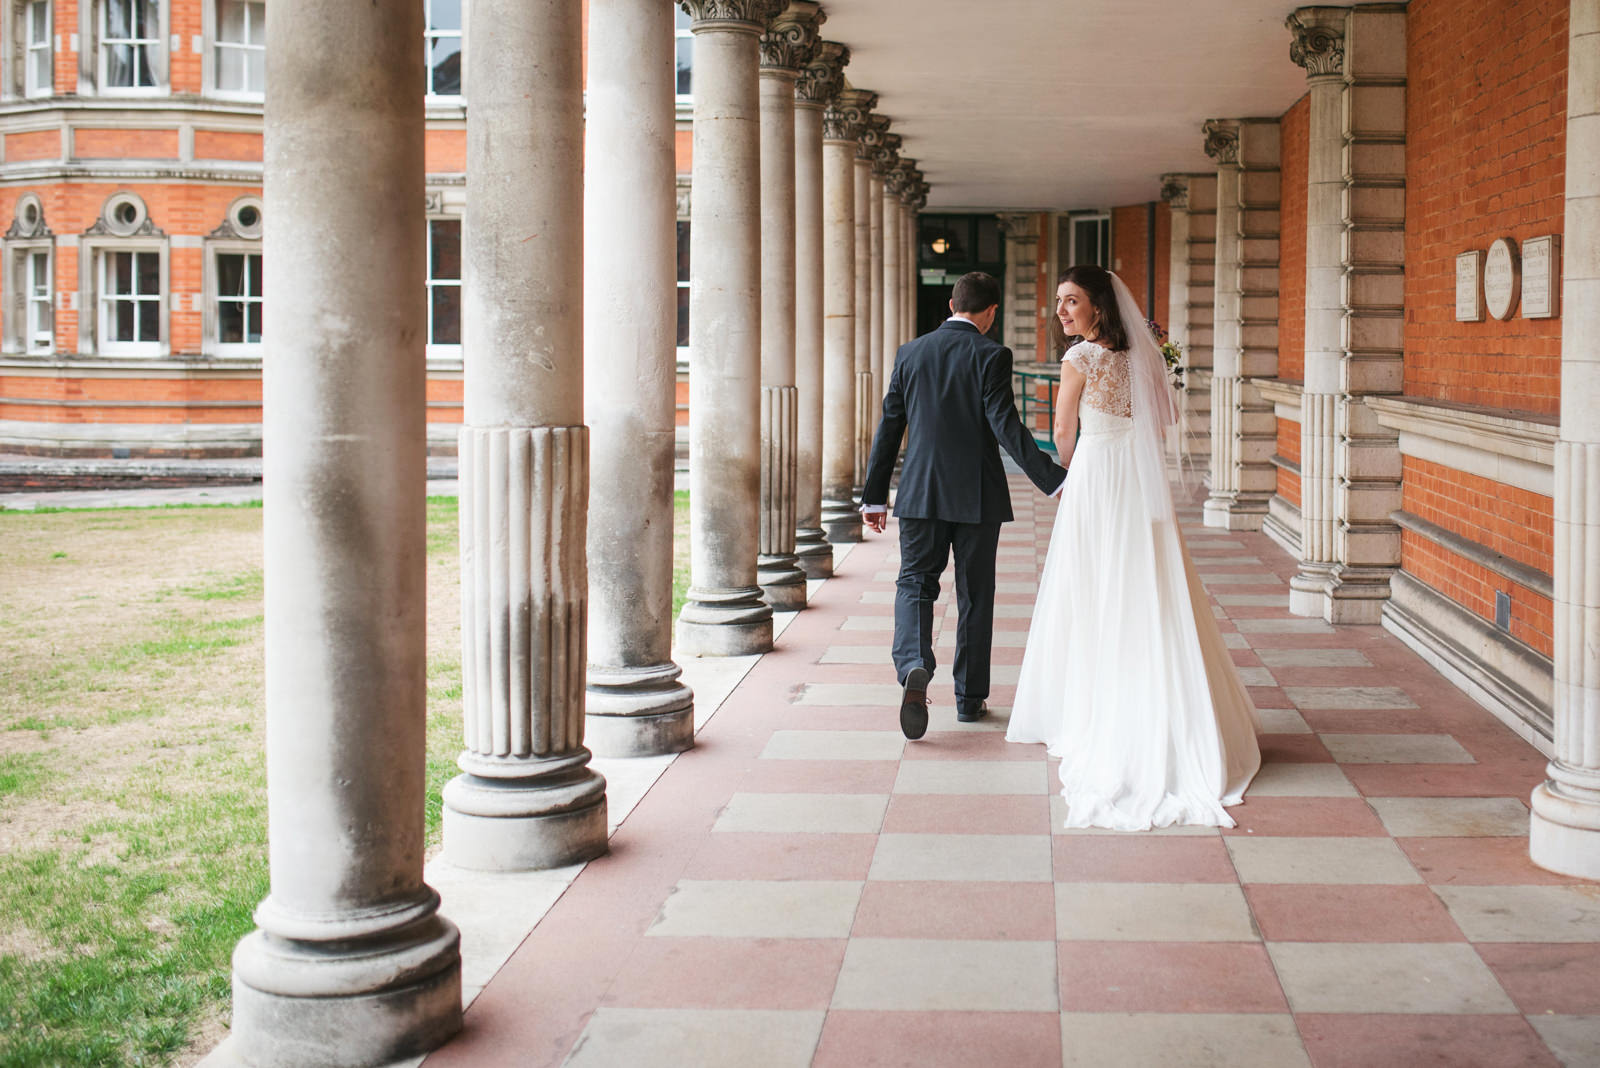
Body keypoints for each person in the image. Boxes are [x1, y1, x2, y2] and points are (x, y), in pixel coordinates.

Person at [1006, 265, 1260, 830]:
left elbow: (1064, 431)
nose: (1061, 312)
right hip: (1135, 477)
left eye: (1072, 302)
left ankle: (1090, 709)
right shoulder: (1142, 357)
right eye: (1058, 303)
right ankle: (1165, 705)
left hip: (1097, 474)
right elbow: (1165, 419)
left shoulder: (1079, 360)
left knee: (1090, 581)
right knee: (1147, 579)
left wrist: (1072, 464)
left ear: (1098, 305)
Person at [860, 271, 1068, 740]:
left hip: (920, 492)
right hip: (977, 497)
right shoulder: (992, 355)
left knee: (915, 582)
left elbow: (889, 426)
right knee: (976, 593)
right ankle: (969, 699)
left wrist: (874, 495)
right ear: (991, 312)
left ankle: (914, 662)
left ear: (952, 303)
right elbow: (1005, 426)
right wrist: (1053, 481)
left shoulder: (910, 352)